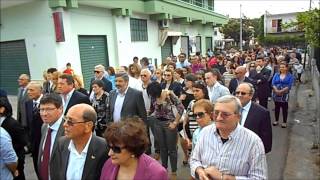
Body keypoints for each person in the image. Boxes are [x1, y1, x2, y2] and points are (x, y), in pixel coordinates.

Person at [190, 95, 267, 179]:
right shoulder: (205, 132)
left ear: (238, 117)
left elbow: (260, 178)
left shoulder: (253, 142)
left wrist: (224, 177)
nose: (219, 118)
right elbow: (194, 160)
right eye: (216, 113)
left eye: (225, 114)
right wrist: (200, 171)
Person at [51, 104, 108, 180]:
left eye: (70, 122)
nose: (64, 125)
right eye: (65, 120)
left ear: (88, 126)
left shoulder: (104, 148)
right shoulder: (62, 143)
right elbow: (56, 173)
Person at [100, 118, 168, 180]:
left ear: (133, 149)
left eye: (116, 149)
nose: (110, 153)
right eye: (109, 147)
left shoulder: (156, 173)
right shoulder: (109, 164)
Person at [147, 82, 185, 177]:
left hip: (169, 123)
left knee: (172, 149)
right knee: (162, 148)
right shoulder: (153, 95)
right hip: (157, 123)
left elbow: (181, 108)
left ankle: (174, 171)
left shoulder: (169, 94)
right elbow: (152, 108)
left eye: (155, 94)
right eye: (152, 95)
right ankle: (163, 168)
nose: (153, 96)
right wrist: (149, 112)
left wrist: (175, 122)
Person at [235, 82, 272, 153]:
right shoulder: (231, 109)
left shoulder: (262, 113)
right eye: (237, 93)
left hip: (251, 153)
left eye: (243, 93)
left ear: (251, 95)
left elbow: (266, 140)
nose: (239, 95)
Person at [38, 93, 65, 180]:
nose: (44, 113)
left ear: (60, 109)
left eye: (49, 109)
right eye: (42, 109)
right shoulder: (44, 126)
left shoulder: (68, 129)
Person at [0, 97, 27, 180]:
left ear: (2, 109)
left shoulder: (12, 124)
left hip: (14, 163)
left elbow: (23, 142)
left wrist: (16, 166)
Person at [25, 82, 44, 177]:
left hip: (45, 140)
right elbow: (28, 123)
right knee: (37, 167)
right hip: (34, 143)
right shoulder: (28, 103)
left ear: (40, 91)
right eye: (28, 90)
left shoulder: (47, 101)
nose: (28, 92)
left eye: (31, 90)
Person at [271, 62, 294, 128]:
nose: (281, 68)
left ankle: (284, 122)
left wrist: (281, 91)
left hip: (284, 94)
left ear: (286, 68)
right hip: (276, 93)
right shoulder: (276, 74)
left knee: (284, 108)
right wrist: (276, 90)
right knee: (277, 107)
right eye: (280, 67)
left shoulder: (290, 76)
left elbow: (289, 85)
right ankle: (276, 120)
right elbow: (273, 83)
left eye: (283, 67)